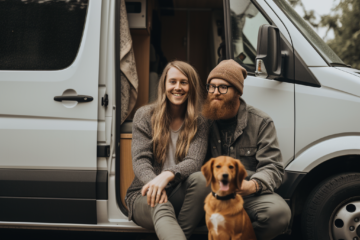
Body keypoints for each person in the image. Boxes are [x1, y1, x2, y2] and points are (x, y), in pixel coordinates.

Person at [202, 59, 291, 240]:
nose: (215, 93)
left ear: (237, 91)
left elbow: (273, 167)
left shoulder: (261, 122)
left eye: (223, 87)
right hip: (209, 192)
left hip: (247, 194)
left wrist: (252, 186)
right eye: (211, 87)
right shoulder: (203, 121)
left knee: (278, 214)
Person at [125, 61, 209, 240]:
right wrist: (155, 183)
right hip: (143, 193)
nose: (177, 87)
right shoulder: (145, 115)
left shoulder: (200, 121)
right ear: (164, 85)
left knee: (202, 179)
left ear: (191, 86)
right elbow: (140, 160)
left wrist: (167, 175)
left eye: (183, 82)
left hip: (178, 192)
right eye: (172, 82)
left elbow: (194, 161)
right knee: (161, 204)